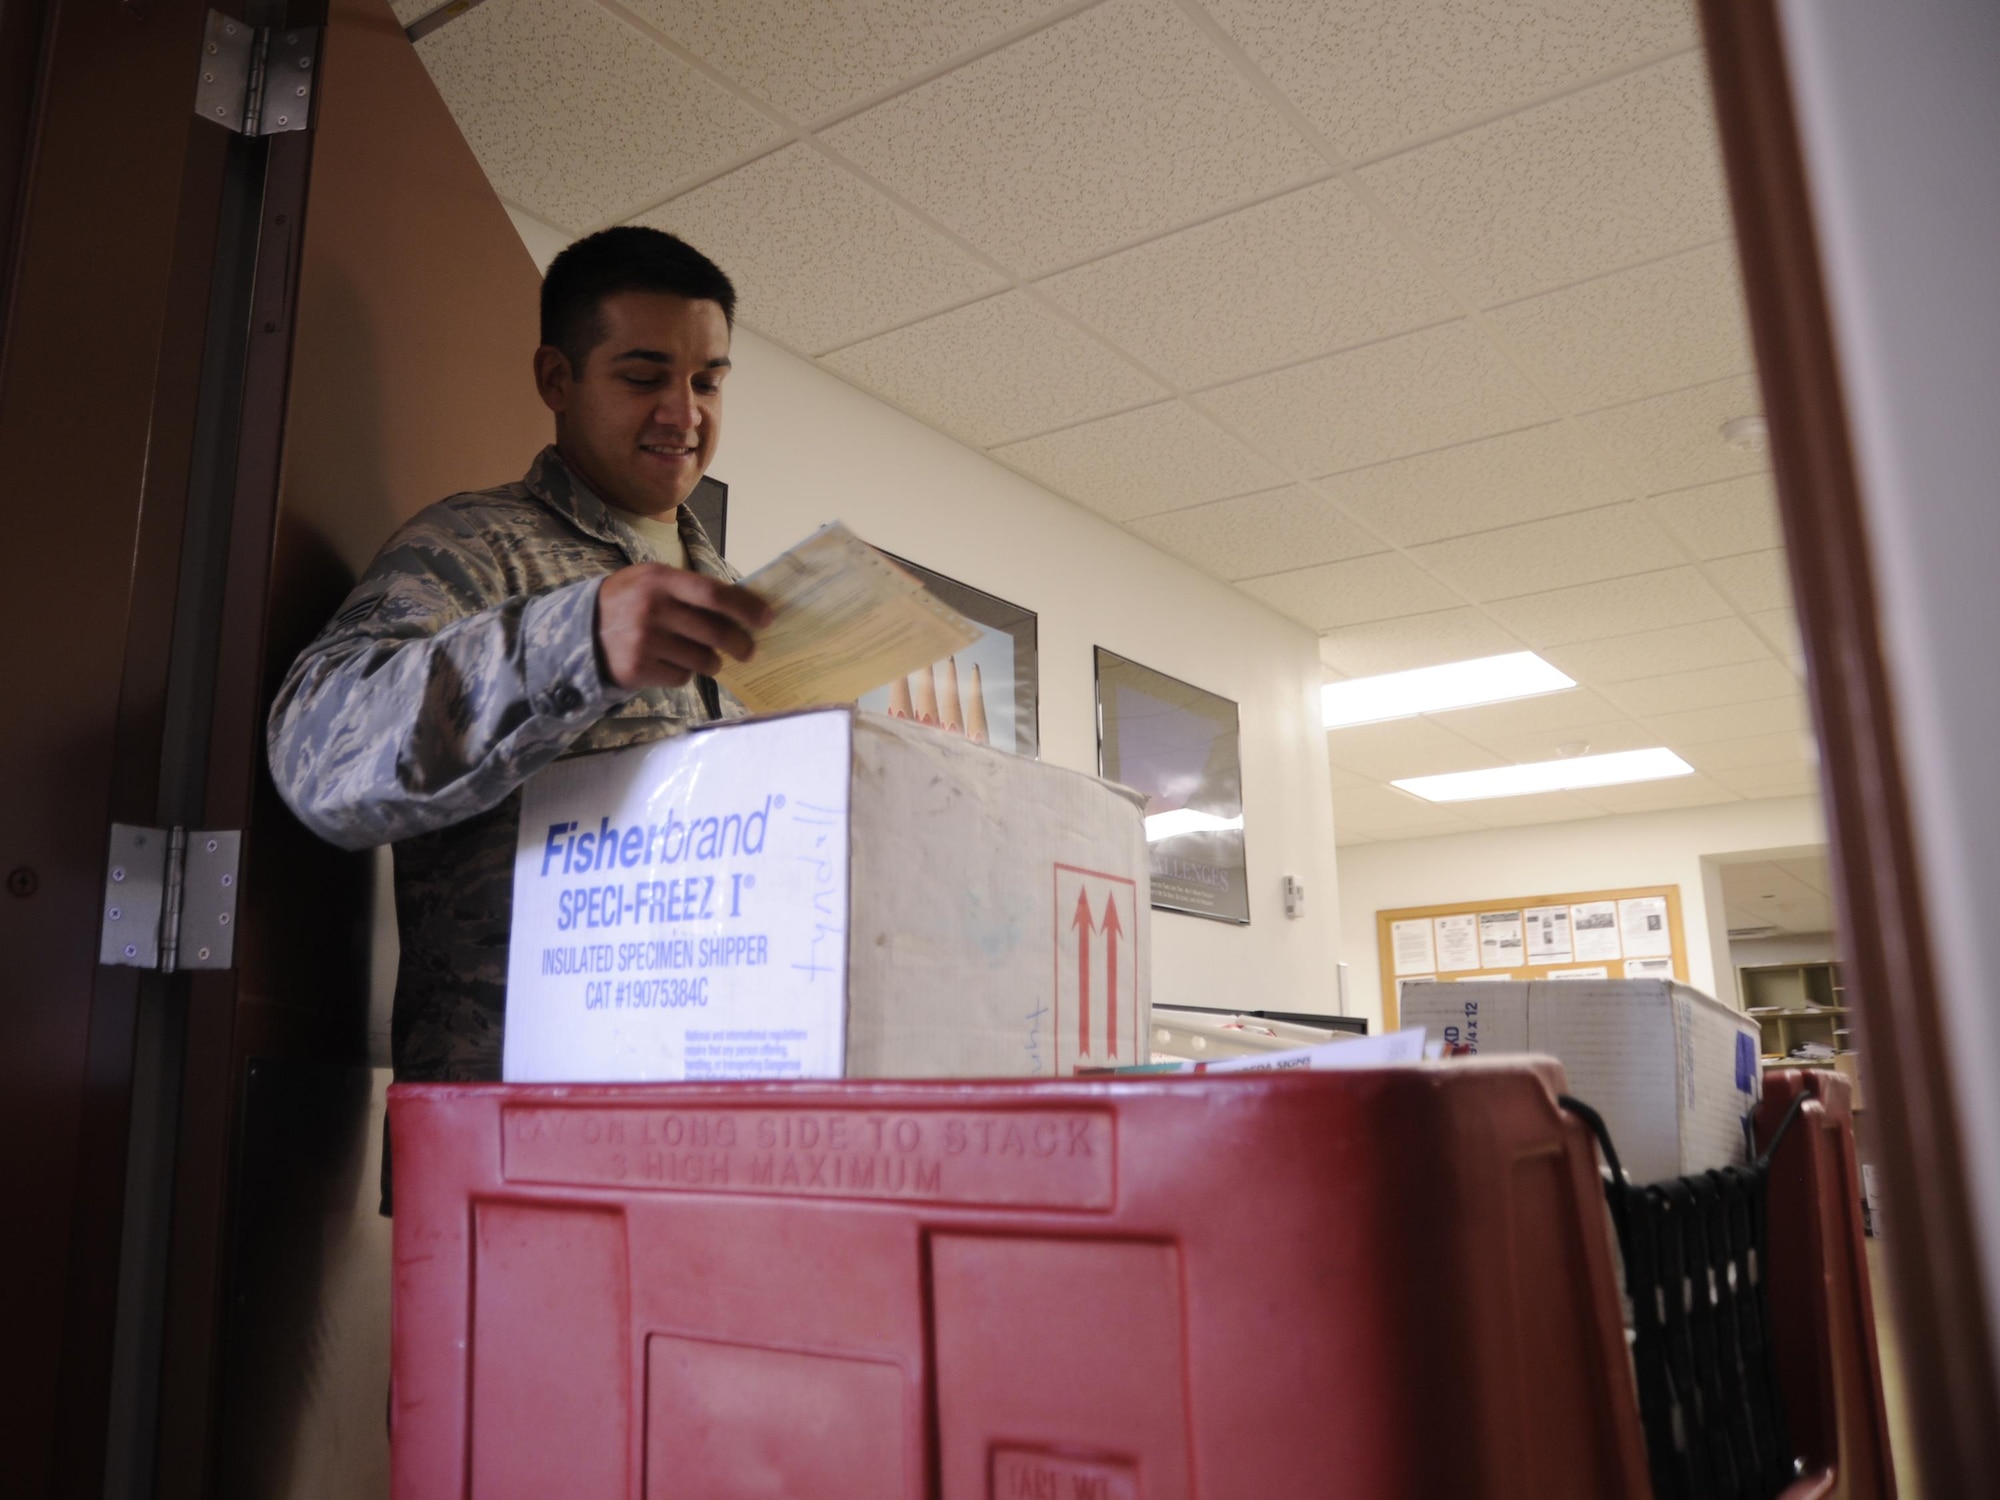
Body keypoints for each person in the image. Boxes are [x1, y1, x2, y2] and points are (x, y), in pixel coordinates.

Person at [267, 226, 772, 1094]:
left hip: (717, 1110)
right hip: (516, 1123)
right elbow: (316, 755)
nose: (684, 414)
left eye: (708, 381)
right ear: (557, 380)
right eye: (644, 376)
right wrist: (572, 641)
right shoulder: (474, 549)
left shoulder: (737, 601)